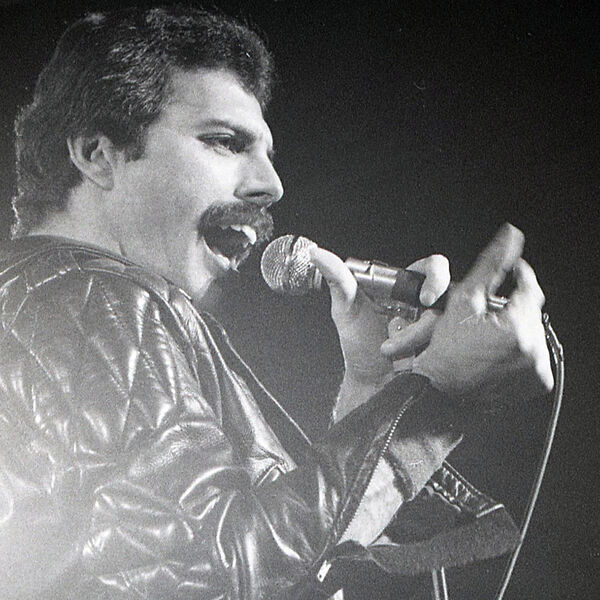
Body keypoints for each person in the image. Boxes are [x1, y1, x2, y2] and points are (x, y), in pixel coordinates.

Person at [0, 5, 553, 599]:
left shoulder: (54, 302)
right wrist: (433, 399)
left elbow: (206, 560)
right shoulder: (93, 298)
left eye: (265, 152)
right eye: (225, 142)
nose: (271, 184)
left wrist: (373, 400)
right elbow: (213, 577)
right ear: (97, 154)